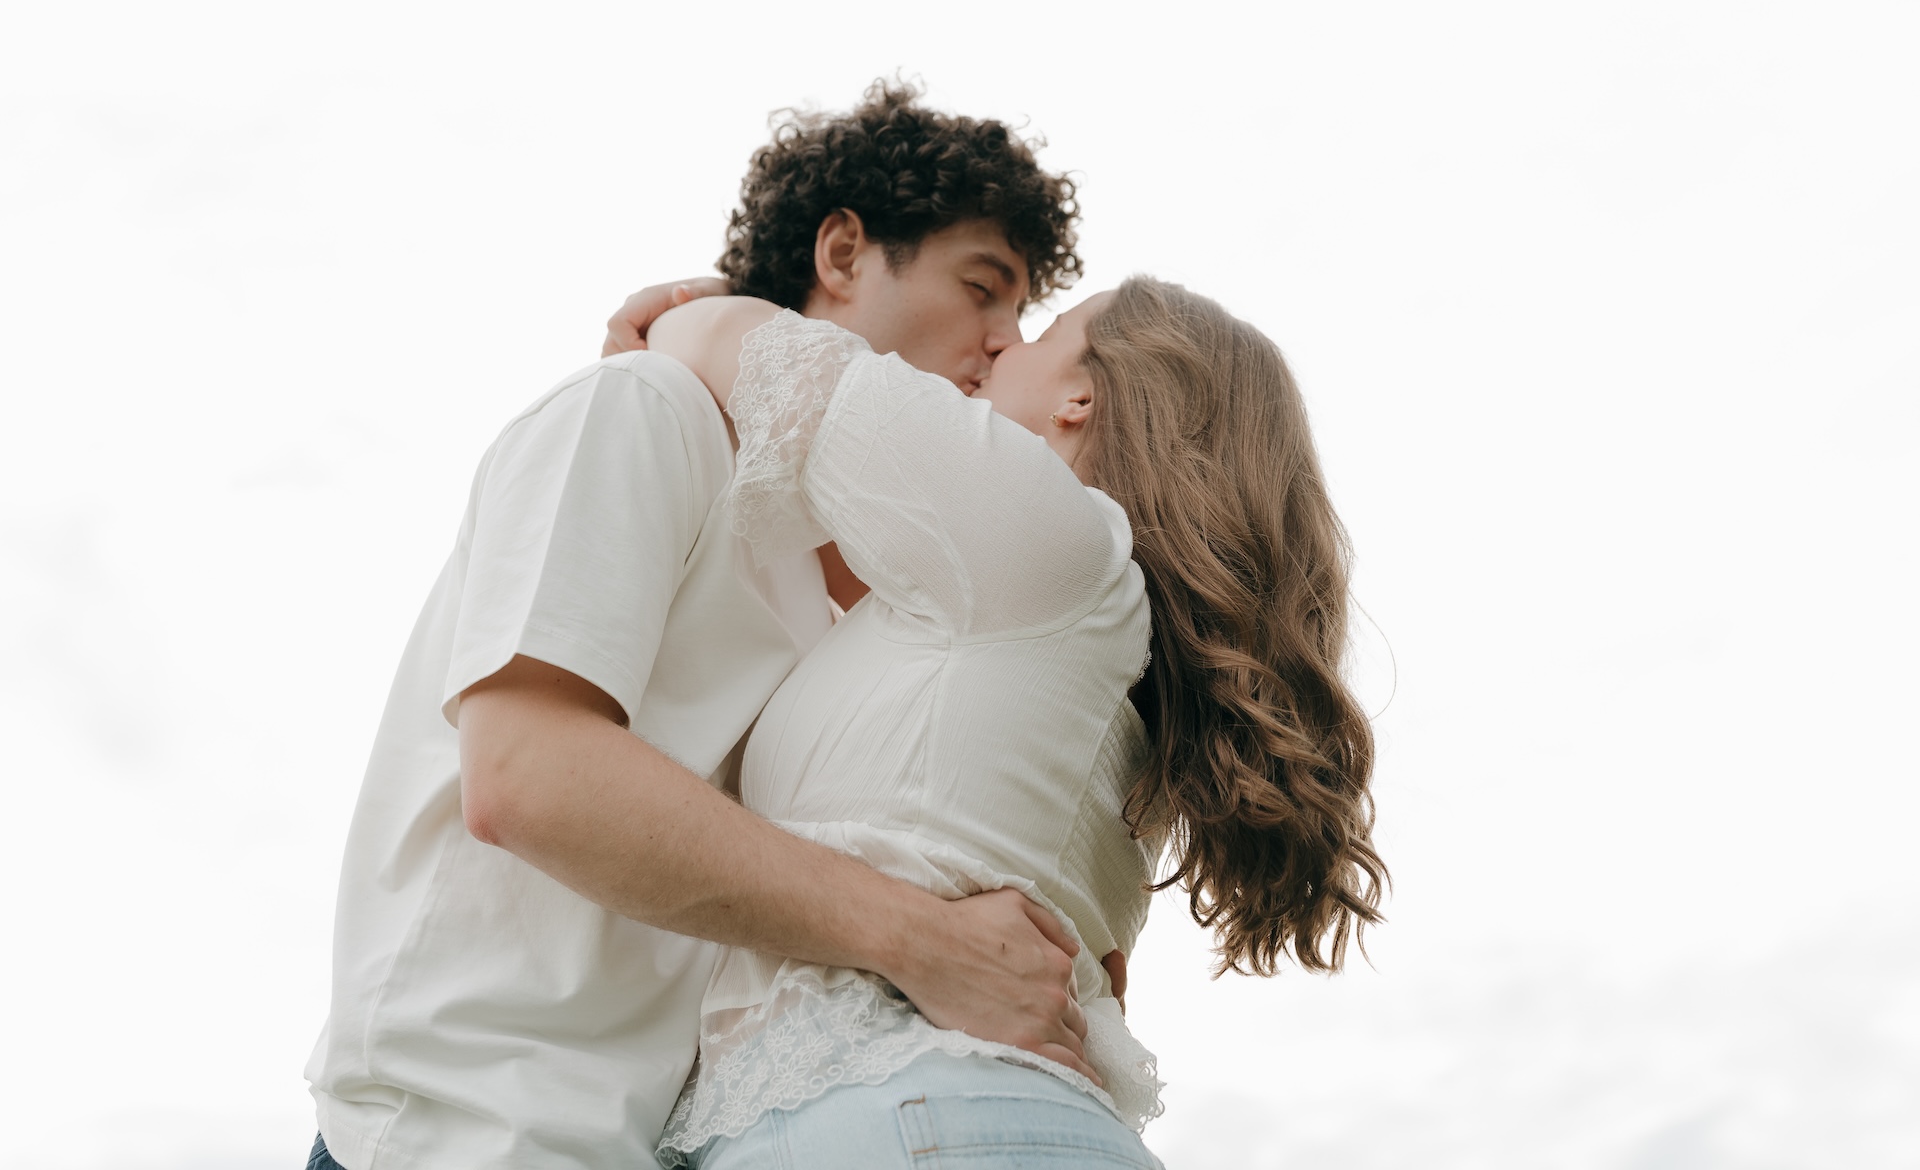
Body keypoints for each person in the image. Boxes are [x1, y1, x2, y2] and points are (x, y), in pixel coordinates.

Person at [303, 81, 1095, 1170]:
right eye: (983, 287)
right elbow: (528, 775)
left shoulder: (860, 597)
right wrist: (925, 941)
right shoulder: (635, 415)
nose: (1008, 343)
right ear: (844, 251)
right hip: (467, 1125)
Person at [634, 277, 1387, 1168]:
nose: (1000, 347)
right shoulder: (1093, 644)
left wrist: (658, 323)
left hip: (911, 1118)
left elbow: (739, 339)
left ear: (1082, 397)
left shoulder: (1052, 535)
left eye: (1047, 331)